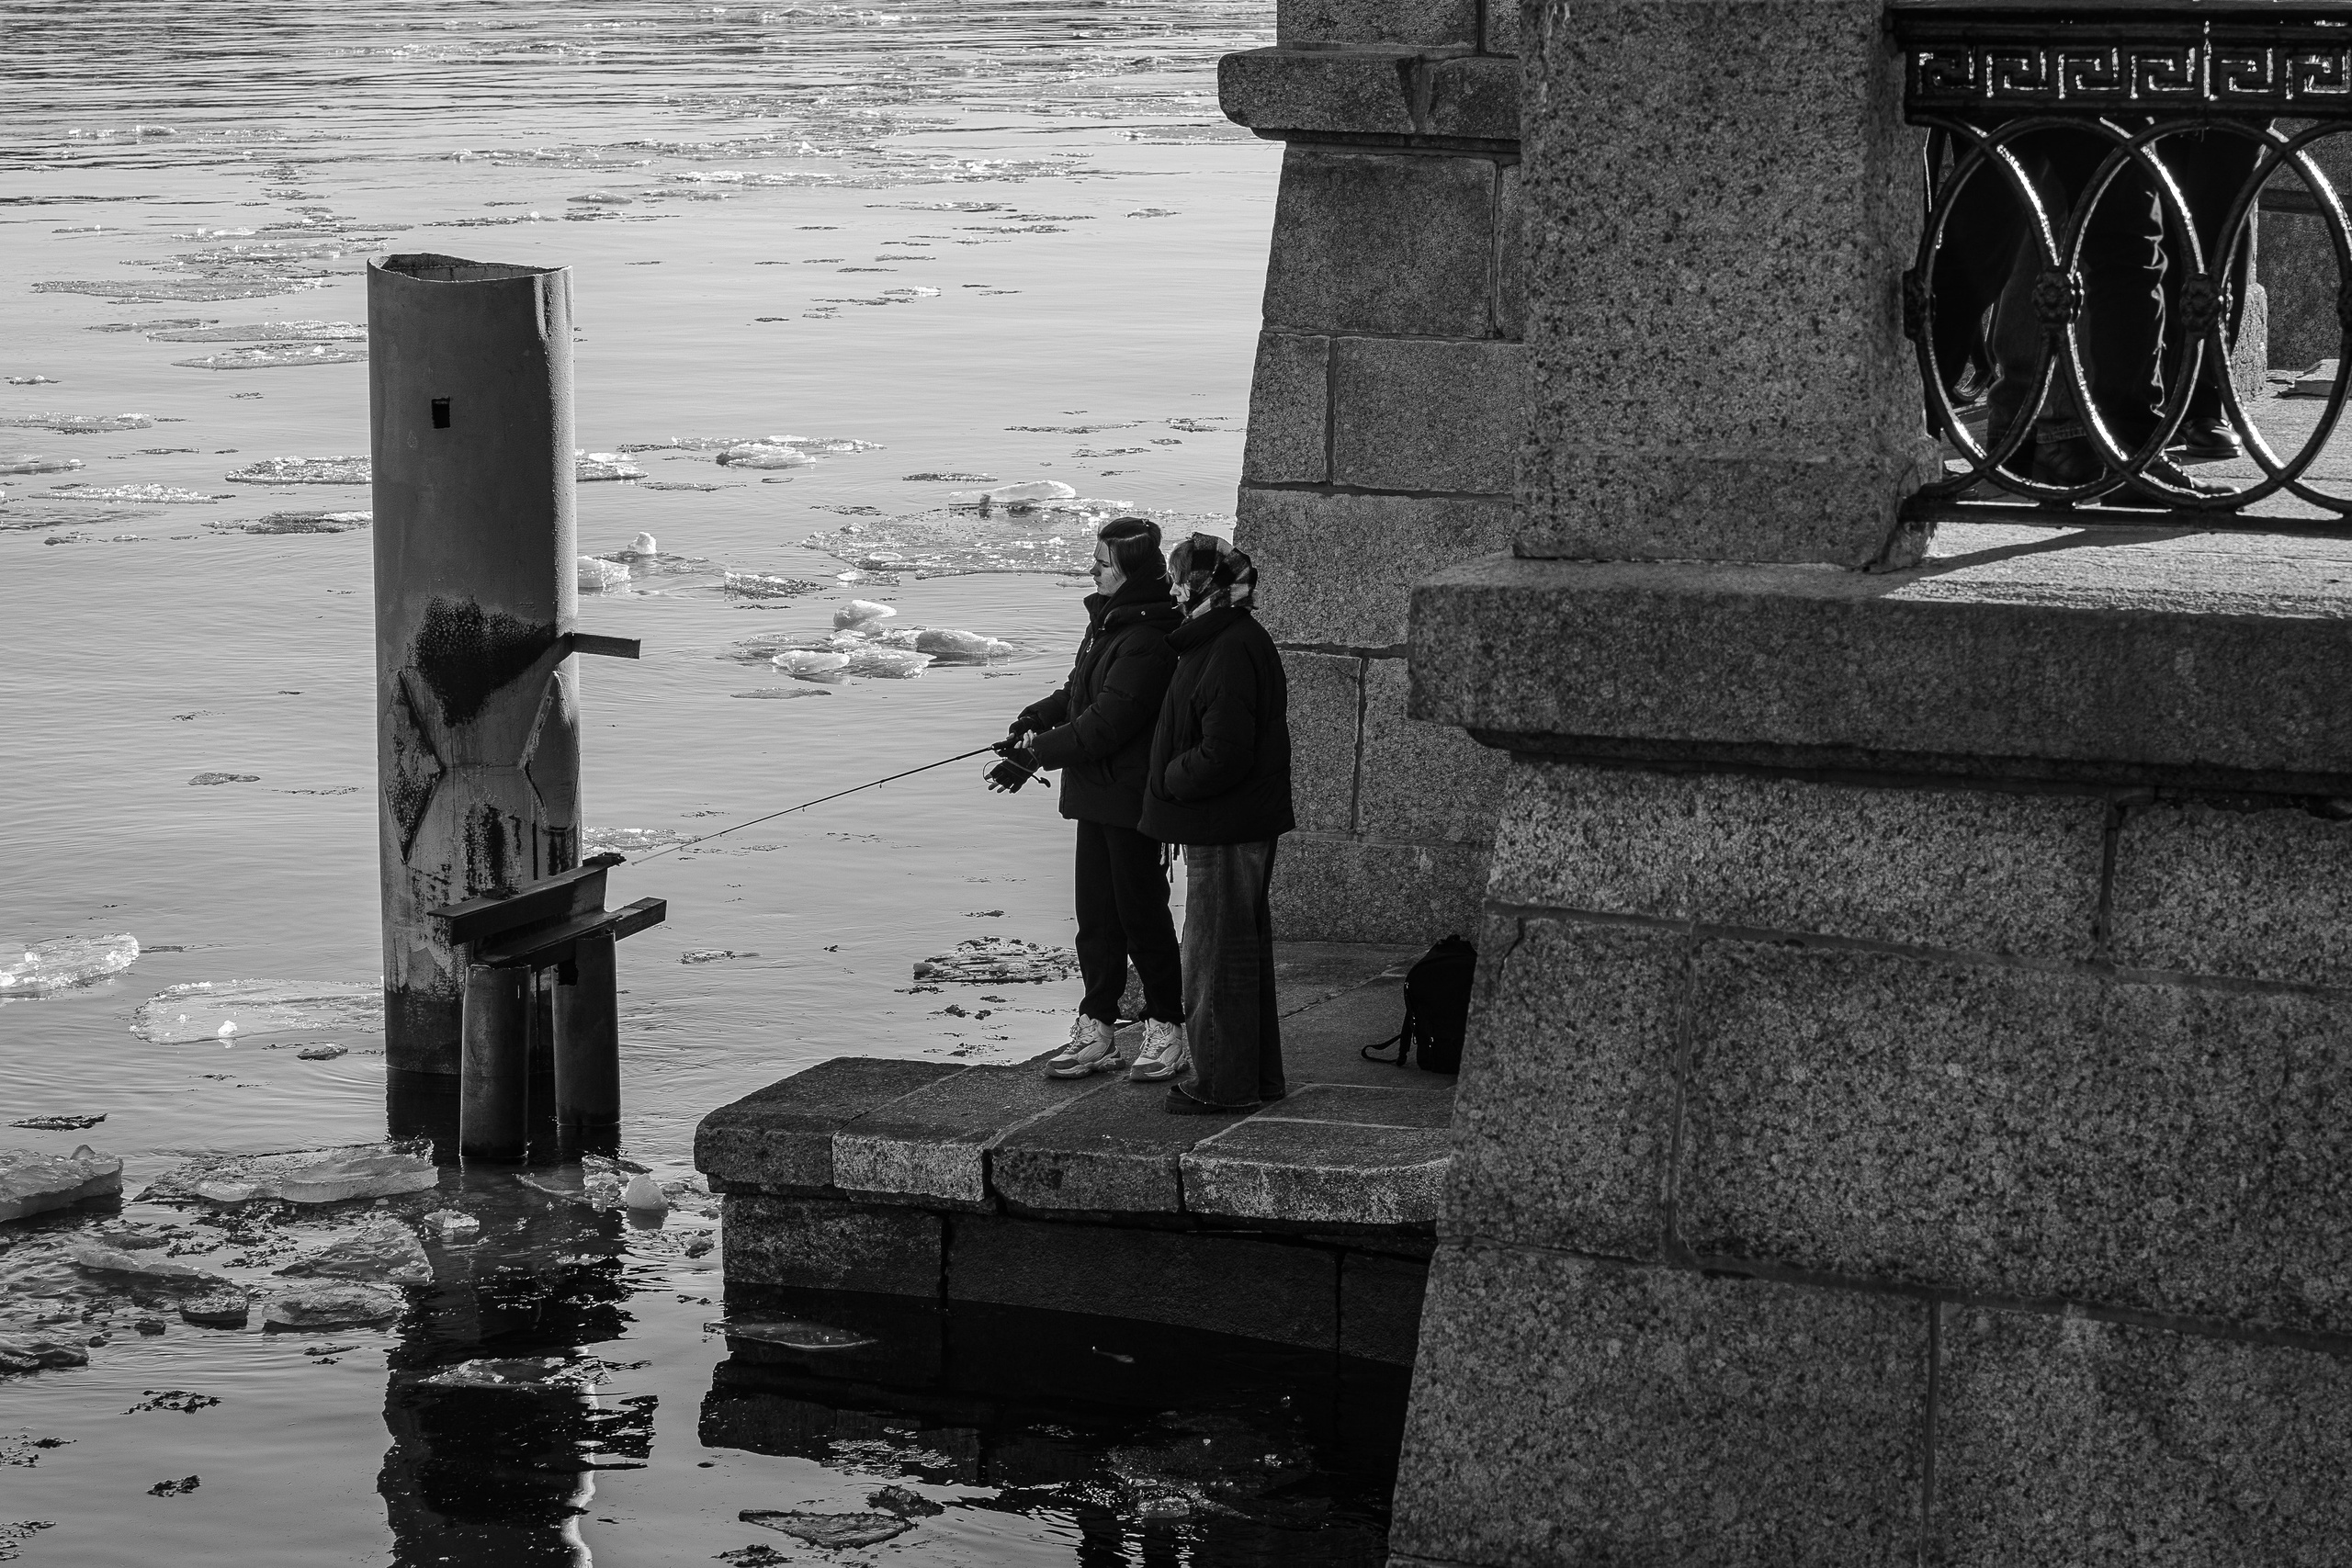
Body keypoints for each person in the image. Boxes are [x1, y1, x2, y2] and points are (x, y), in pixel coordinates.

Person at [990, 517, 1190, 1082]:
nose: (1092, 569)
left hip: (1132, 802)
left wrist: (1035, 755)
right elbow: (1082, 691)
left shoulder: (1149, 637)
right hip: (1096, 797)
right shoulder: (1112, 622)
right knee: (1096, 920)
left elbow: (1109, 721)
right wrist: (1035, 719)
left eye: (1102, 562)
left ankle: (1166, 1027)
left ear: (1128, 570)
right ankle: (1097, 1024)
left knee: (1141, 915)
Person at [1137, 534, 1294, 1114]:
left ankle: (1222, 1085)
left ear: (1203, 587)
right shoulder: (1224, 637)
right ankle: (1255, 1079)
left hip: (1226, 825)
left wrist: (1171, 780)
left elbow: (1224, 753)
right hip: (1234, 821)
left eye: (1182, 580)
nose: (1175, 590)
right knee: (1236, 956)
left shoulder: (1228, 645)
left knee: (1214, 961)